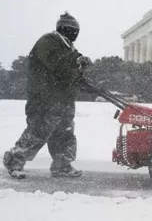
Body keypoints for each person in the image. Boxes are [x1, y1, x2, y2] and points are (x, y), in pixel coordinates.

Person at [3, 12, 93, 179]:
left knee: (64, 133)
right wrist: (77, 61)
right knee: (38, 131)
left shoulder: (67, 47)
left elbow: (69, 74)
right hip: (45, 99)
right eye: (73, 30)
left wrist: (81, 74)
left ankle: (62, 166)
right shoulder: (49, 41)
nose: (75, 34)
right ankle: (14, 162)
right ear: (66, 29)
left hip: (63, 100)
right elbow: (58, 65)